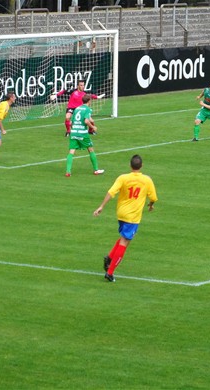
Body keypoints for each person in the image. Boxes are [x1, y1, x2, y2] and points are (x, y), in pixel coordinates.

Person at [93, 154, 158, 282]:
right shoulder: (147, 180)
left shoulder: (123, 178)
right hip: (132, 216)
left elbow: (111, 192)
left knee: (123, 237)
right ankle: (110, 272)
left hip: (121, 213)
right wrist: (150, 205)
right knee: (125, 242)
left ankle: (109, 257)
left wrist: (101, 206)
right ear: (142, 166)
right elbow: (153, 198)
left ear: (130, 166)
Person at [65, 94, 104, 176]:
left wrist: (74, 129)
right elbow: (86, 121)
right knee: (90, 149)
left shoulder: (76, 109)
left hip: (74, 132)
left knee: (71, 151)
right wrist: (93, 127)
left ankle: (68, 172)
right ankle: (96, 170)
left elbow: (71, 122)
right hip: (82, 133)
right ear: (89, 101)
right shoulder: (88, 109)